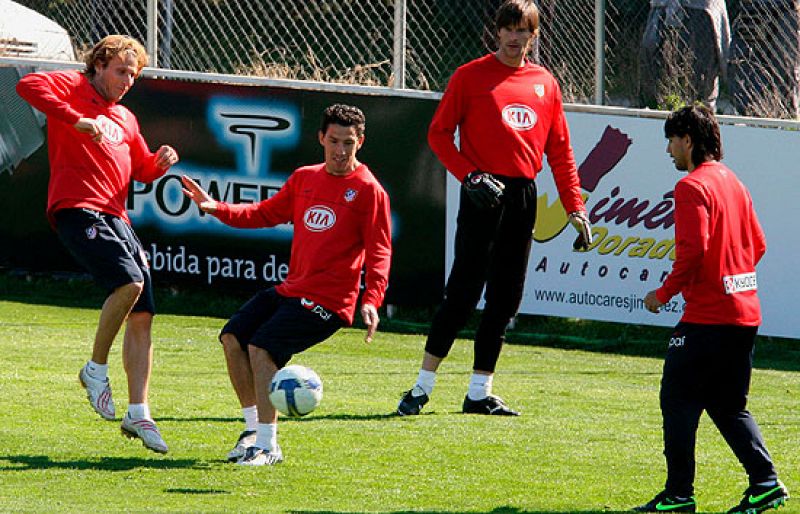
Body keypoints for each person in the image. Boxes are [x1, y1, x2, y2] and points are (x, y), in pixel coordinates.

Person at [396, 0, 591, 417]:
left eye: (524, 30)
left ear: (534, 36)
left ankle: (479, 392)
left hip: (523, 196)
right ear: (497, 31)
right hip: (482, 192)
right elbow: (439, 135)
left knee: (506, 297)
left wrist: (575, 206)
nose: (515, 38)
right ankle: (421, 387)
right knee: (462, 293)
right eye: (509, 29)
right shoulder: (469, 76)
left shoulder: (545, 84)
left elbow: (560, 152)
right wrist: (469, 176)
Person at [181, 104, 392, 466]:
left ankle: (268, 446)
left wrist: (371, 299)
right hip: (291, 290)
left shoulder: (369, 191)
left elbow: (380, 251)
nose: (340, 151)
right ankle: (253, 431)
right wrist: (215, 207)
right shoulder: (304, 178)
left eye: (349, 143)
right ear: (321, 138)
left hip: (329, 302)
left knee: (262, 347)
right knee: (233, 338)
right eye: (334, 141)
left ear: (361, 142)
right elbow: (264, 213)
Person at [15, 35, 179, 453]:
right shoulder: (72, 86)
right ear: (99, 65)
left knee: (142, 313)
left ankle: (138, 411)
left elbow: (141, 169)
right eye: (121, 71)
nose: (127, 81)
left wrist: (159, 163)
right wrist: (77, 120)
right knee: (129, 283)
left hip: (117, 217)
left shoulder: (125, 117)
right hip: (78, 209)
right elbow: (26, 86)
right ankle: (95, 369)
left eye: (134, 75)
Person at [633, 105, 789, 513]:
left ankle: (678, 495)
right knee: (727, 405)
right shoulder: (733, 181)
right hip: (744, 314)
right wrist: (732, 277)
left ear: (688, 140)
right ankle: (765, 483)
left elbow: (694, 252)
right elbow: (758, 244)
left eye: (671, 140)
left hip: (708, 318)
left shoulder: (691, 187)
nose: (668, 150)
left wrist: (663, 294)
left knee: (677, 399)